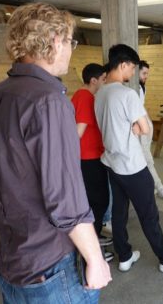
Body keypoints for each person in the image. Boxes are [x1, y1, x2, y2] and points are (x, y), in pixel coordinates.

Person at [0, 2, 111, 303]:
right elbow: (65, 199)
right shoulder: (49, 101)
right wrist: (95, 259)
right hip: (50, 264)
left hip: (12, 257)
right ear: (54, 40)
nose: (71, 49)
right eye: (70, 41)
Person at [95, 44, 163, 275]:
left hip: (111, 163)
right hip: (132, 165)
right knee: (149, 214)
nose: (133, 74)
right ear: (123, 65)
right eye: (132, 68)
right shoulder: (128, 94)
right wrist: (135, 129)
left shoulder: (100, 93)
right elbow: (146, 127)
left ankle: (125, 256)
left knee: (119, 212)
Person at [71, 63, 114, 262]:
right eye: (104, 79)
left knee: (96, 200)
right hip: (88, 159)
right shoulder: (85, 97)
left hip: (90, 157)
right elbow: (78, 131)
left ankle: (93, 238)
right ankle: (92, 248)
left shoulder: (83, 96)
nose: (105, 82)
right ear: (94, 80)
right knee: (99, 201)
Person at [138, 60, 163, 200]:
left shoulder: (141, 87)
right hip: (139, 130)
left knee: (146, 160)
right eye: (144, 73)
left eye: (147, 73)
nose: (146, 76)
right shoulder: (134, 87)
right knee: (147, 161)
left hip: (145, 127)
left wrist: (148, 126)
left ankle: (152, 186)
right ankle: (159, 187)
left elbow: (141, 108)